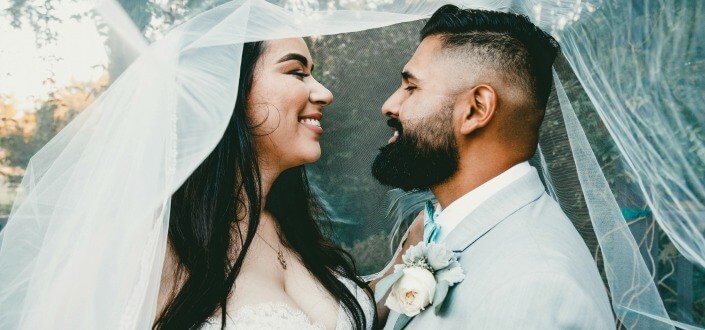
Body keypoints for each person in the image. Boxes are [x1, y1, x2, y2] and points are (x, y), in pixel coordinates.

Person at [371, 5, 615, 329]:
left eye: (411, 87)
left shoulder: (537, 289)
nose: (389, 105)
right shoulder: (443, 231)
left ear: (475, 110)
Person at [154, 38, 375, 329]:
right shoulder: (160, 246)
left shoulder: (291, 224)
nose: (324, 93)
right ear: (229, 90)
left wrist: (410, 261)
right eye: (297, 72)